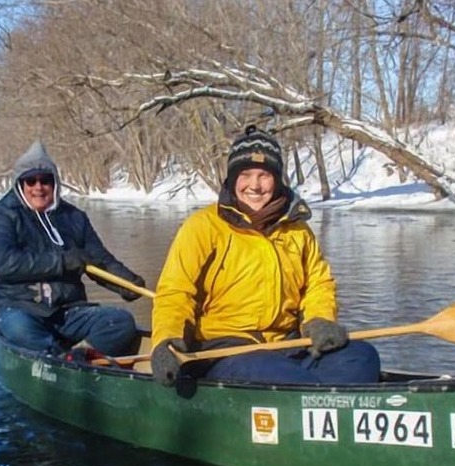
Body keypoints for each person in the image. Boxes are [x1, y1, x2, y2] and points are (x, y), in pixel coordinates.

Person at [150, 125, 380, 385]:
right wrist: (166, 342)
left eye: (265, 175)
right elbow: (175, 292)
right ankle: (314, 397)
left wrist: (320, 320)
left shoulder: (298, 230)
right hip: (227, 349)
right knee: (282, 378)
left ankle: (318, 401)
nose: (255, 186)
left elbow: (318, 284)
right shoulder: (202, 227)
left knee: (362, 357)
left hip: (289, 343)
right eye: (246, 174)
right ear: (232, 178)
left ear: (278, 179)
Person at [0, 140, 145, 358]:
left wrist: (128, 283)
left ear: (55, 183)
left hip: (69, 310)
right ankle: (56, 355)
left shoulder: (74, 217)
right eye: (30, 181)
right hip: (19, 306)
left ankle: (78, 356)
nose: (38, 187)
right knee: (20, 330)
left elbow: (100, 260)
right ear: (20, 185)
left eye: (45, 180)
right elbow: (4, 264)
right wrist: (62, 262)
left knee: (120, 321)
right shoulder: (1, 216)